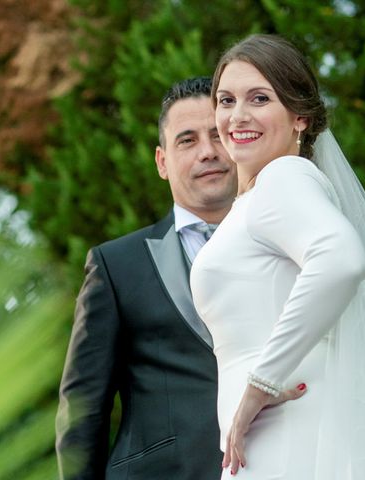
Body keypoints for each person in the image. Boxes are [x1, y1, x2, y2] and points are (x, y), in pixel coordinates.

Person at [190, 34, 365, 479]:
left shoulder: (283, 180)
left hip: (291, 433)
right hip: (268, 438)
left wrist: (259, 384)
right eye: (226, 100)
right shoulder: (255, 202)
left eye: (259, 98)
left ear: (300, 117)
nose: (238, 115)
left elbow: (341, 259)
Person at [55, 76, 237, 479]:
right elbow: (83, 409)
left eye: (219, 135)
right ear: (162, 161)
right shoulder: (115, 265)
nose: (207, 152)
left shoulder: (288, 246)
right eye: (187, 141)